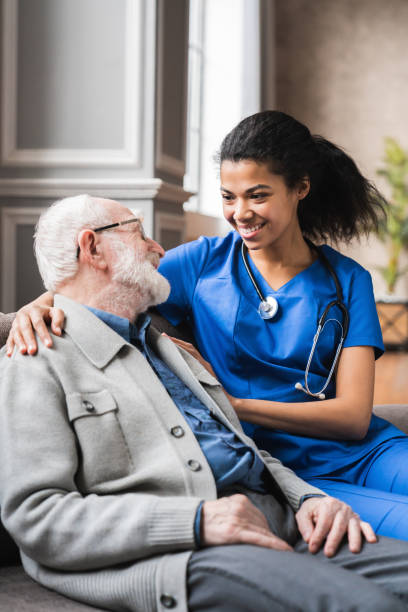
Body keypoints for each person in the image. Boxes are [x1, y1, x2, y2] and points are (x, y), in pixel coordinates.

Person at [5, 112, 408, 541]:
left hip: (370, 451)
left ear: (300, 188)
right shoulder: (199, 264)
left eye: (257, 195)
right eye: (228, 197)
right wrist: (34, 308)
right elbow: (99, 287)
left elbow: (352, 418)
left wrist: (232, 404)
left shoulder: (348, 280)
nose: (241, 213)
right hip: (285, 469)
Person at [3, 194, 408, 612]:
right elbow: (34, 515)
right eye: (139, 233)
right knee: (369, 605)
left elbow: (244, 449)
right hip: (189, 548)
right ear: (92, 247)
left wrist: (308, 498)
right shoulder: (35, 361)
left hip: (281, 516)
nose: (159, 249)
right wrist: (197, 521)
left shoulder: (168, 350)